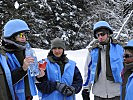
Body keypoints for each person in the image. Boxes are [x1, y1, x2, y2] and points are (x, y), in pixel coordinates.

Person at [82, 21, 124, 100]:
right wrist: (86, 89)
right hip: (99, 93)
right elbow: (88, 71)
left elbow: (126, 69)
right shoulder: (93, 51)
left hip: (116, 92)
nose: (100, 37)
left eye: (102, 34)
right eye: (98, 35)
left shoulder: (119, 49)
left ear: (108, 34)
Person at [0, 19, 37, 100]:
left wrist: (40, 72)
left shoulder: (27, 51)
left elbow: (33, 76)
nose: (24, 38)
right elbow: (5, 83)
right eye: (20, 35)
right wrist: (23, 69)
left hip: (28, 96)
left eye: (25, 35)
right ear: (12, 36)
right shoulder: (3, 56)